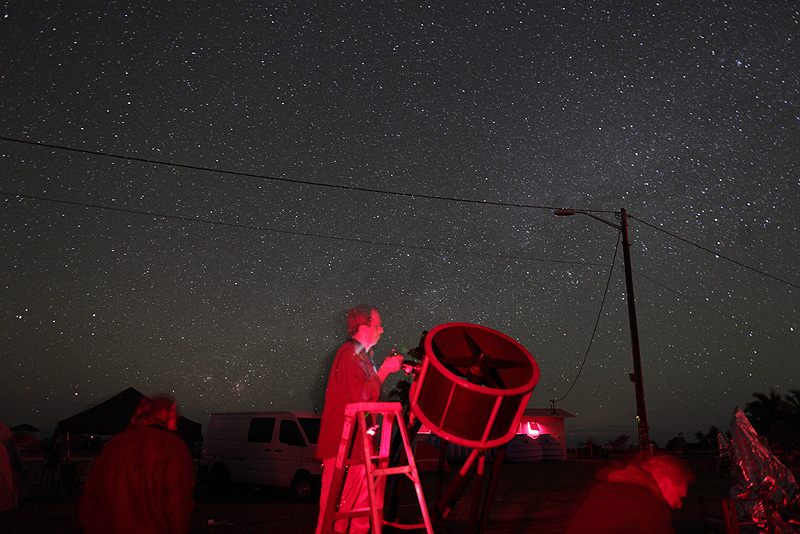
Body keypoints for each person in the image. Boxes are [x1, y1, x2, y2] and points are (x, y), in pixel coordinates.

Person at [315, 304, 405, 534]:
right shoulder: (349, 354)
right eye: (378, 325)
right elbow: (361, 396)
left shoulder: (362, 357)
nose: (382, 330)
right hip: (344, 451)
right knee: (335, 519)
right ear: (363, 326)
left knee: (361, 516)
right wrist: (384, 370)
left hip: (359, 449)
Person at [79, 395, 195, 534]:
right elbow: (178, 501)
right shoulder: (173, 447)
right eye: (173, 412)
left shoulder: (115, 443)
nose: (177, 417)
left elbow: (90, 495)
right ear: (163, 415)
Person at [565, 453, 694, 534]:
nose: (679, 505)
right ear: (666, 482)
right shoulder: (645, 502)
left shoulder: (612, 486)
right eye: (679, 496)